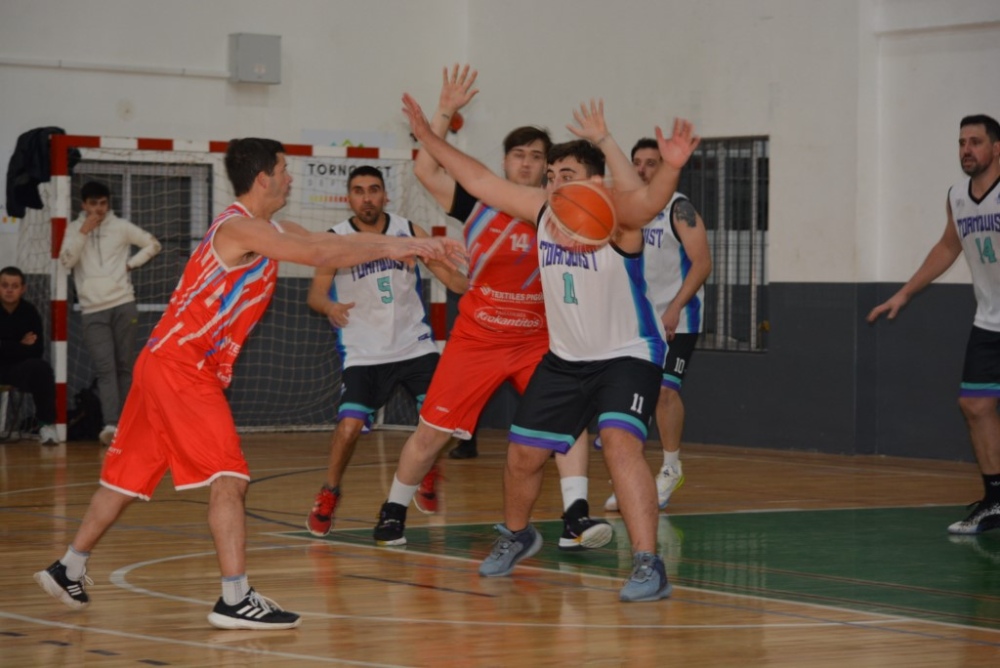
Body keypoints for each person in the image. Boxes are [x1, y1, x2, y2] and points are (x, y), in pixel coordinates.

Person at [34, 137, 464, 630]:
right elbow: (319, 250)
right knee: (231, 478)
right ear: (264, 178)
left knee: (124, 479)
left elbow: (339, 247)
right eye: (284, 169)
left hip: (163, 363)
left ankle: (68, 567)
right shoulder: (240, 228)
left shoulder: (268, 227)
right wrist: (406, 244)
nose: (290, 177)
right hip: (183, 366)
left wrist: (415, 243)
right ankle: (235, 598)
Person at [403, 92, 699, 602]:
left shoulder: (618, 221)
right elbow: (477, 180)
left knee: (622, 444)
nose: (554, 182)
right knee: (522, 457)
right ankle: (518, 535)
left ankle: (649, 564)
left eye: (566, 174)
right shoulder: (542, 211)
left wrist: (668, 167)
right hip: (565, 359)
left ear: (595, 182)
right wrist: (431, 137)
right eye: (552, 175)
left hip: (628, 353)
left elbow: (650, 201)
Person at [373, 65, 612, 552]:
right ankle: (393, 508)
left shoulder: (567, 212)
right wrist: (443, 112)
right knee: (433, 431)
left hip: (538, 339)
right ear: (504, 161)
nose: (526, 164)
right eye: (518, 155)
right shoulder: (476, 201)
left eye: (536, 158)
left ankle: (576, 516)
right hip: (479, 336)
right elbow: (425, 170)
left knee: (567, 423)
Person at [305, 165, 468, 536]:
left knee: (441, 418)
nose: (367, 197)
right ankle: (329, 491)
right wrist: (329, 307)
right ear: (349, 198)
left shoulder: (409, 231)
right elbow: (315, 294)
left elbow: (453, 280)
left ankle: (426, 471)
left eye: (374, 189)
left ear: (384, 195)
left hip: (414, 346)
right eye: (359, 191)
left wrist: (484, 285)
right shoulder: (336, 239)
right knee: (348, 428)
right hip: (365, 352)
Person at [868, 114, 1000, 535]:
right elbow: (948, 246)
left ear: (996, 149)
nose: (966, 149)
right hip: (989, 320)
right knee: (975, 405)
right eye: (962, 142)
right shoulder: (958, 197)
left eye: (976, 142)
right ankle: (996, 501)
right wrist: (905, 292)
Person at [604, 138, 712, 512]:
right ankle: (629, 474)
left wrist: (675, 307)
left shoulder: (678, 208)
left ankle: (669, 468)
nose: (644, 170)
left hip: (677, 317)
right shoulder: (627, 208)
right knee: (631, 395)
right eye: (638, 163)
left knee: (665, 393)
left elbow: (702, 263)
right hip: (638, 317)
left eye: (653, 163)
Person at [59, 181, 162, 446]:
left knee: (125, 367)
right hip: (93, 309)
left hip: (123, 303)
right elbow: (67, 261)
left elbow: (153, 244)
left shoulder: (121, 226)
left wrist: (130, 265)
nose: (98, 209)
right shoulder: (73, 229)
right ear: (84, 205)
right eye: (93, 203)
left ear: (108, 204)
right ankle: (111, 424)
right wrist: (83, 232)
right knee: (105, 368)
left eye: (103, 203)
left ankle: (130, 424)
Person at [0, 266, 59, 444]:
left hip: (17, 368)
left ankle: (46, 426)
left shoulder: (29, 312)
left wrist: (6, 346)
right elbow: (25, 348)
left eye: (14, 286)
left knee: (41, 369)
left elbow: (36, 350)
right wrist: (19, 344)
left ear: (23, 289)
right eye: (4, 285)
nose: (9, 290)